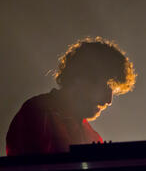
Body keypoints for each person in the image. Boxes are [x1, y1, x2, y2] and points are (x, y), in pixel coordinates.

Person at [6, 37, 136, 156]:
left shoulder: (91, 136)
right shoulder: (38, 112)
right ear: (80, 78)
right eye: (104, 87)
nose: (109, 100)